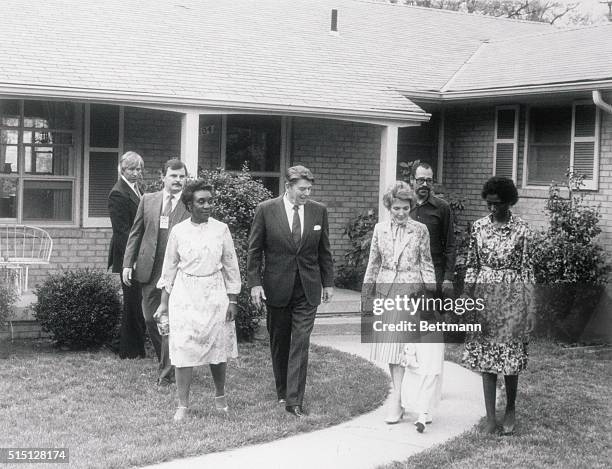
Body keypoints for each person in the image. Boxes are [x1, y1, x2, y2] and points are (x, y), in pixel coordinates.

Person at [247, 165, 334, 418]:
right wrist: (254, 283)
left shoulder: (319, 211)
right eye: (302, 189)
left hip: (308, 287)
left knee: (301, 341)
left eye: (309, 189)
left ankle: (294, 400)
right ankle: (283, 389)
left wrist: (328, 282)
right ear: (288, 187)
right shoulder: (266, 210)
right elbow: (254, 250)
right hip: (277, 286)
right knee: (280, 341)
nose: (306, 193)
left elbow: (324, 251)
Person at [154, 180, 240, 421]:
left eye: (210, 201)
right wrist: (163, 303)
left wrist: (233, 300)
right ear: (189, 205)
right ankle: (183, 404)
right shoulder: (179, 231)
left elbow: (231, 266)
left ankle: (220, 395)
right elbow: (169, 268)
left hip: (214, 293)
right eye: (201, 201)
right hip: (184, 294)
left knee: (217, 347)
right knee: (182, 348)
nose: (207, 205)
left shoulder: (221, 229)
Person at [362, 181, 439, 432]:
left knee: (411, 349)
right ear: (389, 206)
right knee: (392, 348)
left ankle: (415, 400)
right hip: (386, 292)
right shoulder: (379, 230)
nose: (401, 213)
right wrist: (367, 295)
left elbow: (426, 262)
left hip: (412, 292)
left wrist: (431, 293)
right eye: (396, 208)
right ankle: (396, 399)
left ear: (411, 207)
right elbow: (373, 263)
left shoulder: (420, 230)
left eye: (406, 208)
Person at [462, 176, 535, 435]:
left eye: (497, 204)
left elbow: (527, 271)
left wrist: (528, 306)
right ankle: (490, 417)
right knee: (485, 357)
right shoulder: (479, 227)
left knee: (510, 357)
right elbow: (472, 263)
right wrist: (467, 296)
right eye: (488, 204)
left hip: (511, 295)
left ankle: (511, 409)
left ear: (509, 202)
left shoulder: (523, 230)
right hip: (484, 296)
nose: (492, 209)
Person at [123, 159, 190, 386]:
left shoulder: (191, 204)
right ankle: (172, 358)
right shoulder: (148, 200)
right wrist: (127, 263)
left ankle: (166, 371)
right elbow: (136, 233)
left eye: (182, 176)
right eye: (173, 176)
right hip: (150, 271)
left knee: (173, 321)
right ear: (163, 177)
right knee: (151, 319)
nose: (178, 181)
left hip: (179, 273)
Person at [108, 151, 146, 359]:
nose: (135, 173)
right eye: (131, 169)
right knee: (132, 300)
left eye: (138, 169)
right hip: (128, 255)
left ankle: (130, 344)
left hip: (139, 252)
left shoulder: (136, 188)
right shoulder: (118, 192)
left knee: (136, 300)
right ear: (122, 170)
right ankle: (130, 349)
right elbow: (121, 232)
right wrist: (130, 261)